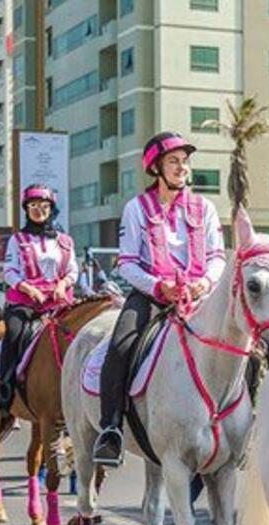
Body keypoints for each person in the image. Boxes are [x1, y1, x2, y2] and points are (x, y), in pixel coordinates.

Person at [91, 132, 226, 467]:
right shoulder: (136, 209)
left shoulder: (205, 207)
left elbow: (218, 257)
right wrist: (157, 286)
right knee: (120, 347)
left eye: (184, 161)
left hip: (198, 298)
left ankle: (240, 426)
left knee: (242, 346)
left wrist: (205, 283)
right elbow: (127, 263)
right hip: (151, 298)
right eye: (173, 161)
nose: (181, 167)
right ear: (156, 168)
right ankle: (110, 429)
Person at [0, 185, 77, 409]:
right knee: (14, 333)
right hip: (26, 303)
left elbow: (73, 270)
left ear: (51, 209)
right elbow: (10, 271)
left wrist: (63, 284)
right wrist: (29, 289)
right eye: (33, 206)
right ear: (26, 210)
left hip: (58, 302)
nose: (39, 210)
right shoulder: (18, 240)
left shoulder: (65, 241)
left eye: (44, 206)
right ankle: (5, 386)